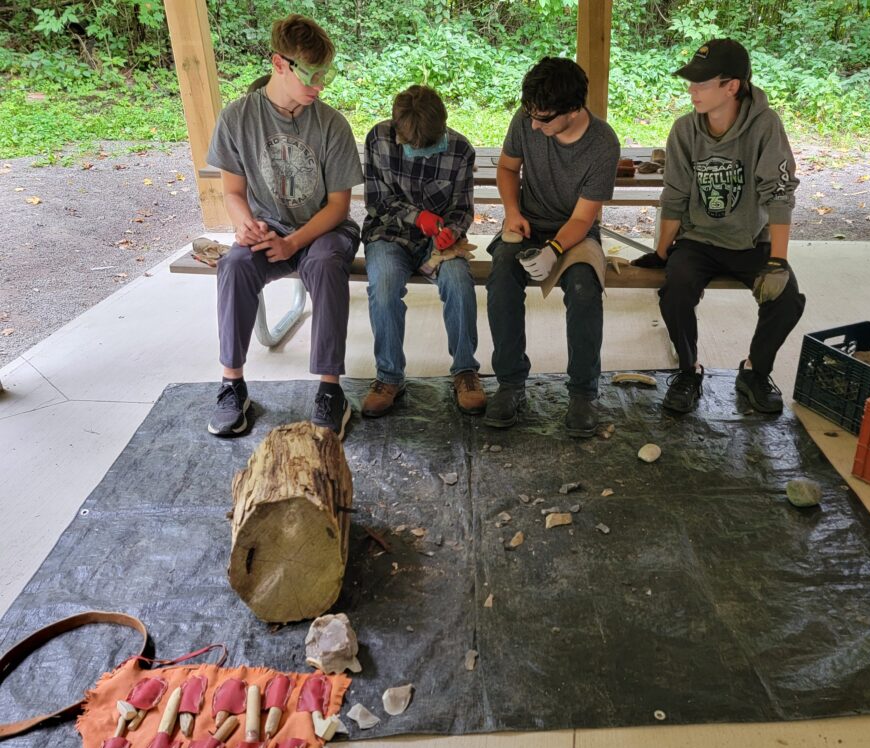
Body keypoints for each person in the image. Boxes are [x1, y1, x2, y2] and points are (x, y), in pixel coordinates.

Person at [205, 14, 363, 437]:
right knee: (234, 265)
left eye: (324, 75)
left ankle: (331, 390)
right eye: (312, 76)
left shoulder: (331, 124)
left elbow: (338, 208)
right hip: (268, 229)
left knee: (328, 264)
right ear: (279, 64)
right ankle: (232, 385)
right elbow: (234, 193)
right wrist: (245, 226)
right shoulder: (237, 118)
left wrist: (294, 242)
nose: (320, 86)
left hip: (323, 231)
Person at [633, 38, 806, 415]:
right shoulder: (684, 131)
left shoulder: (765, 125)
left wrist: (778, 261)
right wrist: (662, 252)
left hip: (752, 241)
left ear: (732, 86)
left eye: (702, 82)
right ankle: (688, 371)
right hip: (699, 240)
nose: (692, 90)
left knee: (787, 299)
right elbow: (675, 195)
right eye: (691, 82)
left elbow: (779, 193)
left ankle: (755, 373)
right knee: (674, 291)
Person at [485, 56, 620, 438]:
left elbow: (582, 220)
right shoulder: (528, 118)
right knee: (501, 277)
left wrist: (555, 249)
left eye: (543, 118)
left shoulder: (603, 144)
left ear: (574, 109)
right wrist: (512, 212)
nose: (533, 124)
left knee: (583, 288)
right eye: (530, 114)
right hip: (526, 222)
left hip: (575, 231)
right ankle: (511, 384)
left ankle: (583, 392)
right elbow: (508, 169)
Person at [359, 85, 485, 417]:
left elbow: (462, 209)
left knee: (459, 282)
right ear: (396, 128)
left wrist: (451, 232)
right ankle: (389, 377)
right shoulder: (378, 139)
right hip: (390, 232)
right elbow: (377, 203)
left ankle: (465, 371)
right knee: (383, 288)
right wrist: (418, 217)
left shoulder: (460, 150)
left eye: (429, 146)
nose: (421, 152)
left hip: (439, 238)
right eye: (412, 146)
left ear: (443, 126)